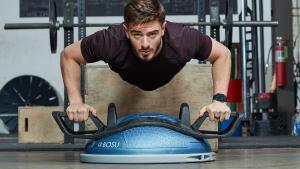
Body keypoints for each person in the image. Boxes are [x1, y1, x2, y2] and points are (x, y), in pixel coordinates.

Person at [60, 0, 231, 123]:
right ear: (126, 31)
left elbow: (222, 54)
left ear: (163, 29)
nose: (145, 44)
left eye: (152, 34)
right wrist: (75, 101)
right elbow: (68, 56)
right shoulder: (110, 41)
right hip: (129, 78)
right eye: (137, 34)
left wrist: (219, 100)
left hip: (167, 76)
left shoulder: (183, 39)